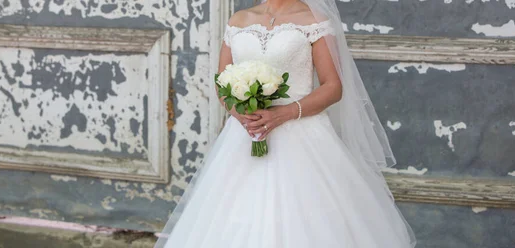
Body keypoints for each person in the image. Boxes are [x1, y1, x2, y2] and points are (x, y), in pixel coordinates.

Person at [155, 0, 417, 247]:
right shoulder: (239, 19)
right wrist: (240, 112)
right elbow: (221, 82)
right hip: (245, 135)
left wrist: (285, 113)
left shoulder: (312, 19)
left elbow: (333, 87)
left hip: (302, 135)